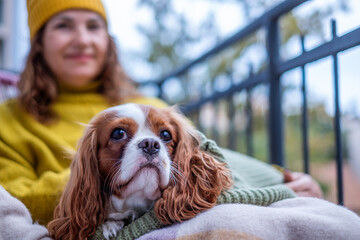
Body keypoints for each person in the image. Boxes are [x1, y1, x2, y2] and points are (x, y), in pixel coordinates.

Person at [0, 0, 322, 236]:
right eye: (64, 25)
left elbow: (206, 159)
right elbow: (11, 195)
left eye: (93, 26)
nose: (83, 39)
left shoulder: (150, 105)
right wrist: (92, 181)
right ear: (38, 42)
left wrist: (281, 178)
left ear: (108, 42)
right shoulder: (9, 119)